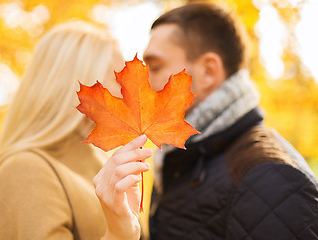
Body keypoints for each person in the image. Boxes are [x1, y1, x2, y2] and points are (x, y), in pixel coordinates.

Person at [94, 2, 318, 240]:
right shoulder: (183, 160)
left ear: (208, 71)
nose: (143, 82)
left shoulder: (272, 179)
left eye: (155, 66)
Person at [0, 21, 151, 240]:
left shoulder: (104, 162)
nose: (128, 93)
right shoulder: (24, 171)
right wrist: (117, 235)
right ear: (78, 86)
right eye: (118, 78)